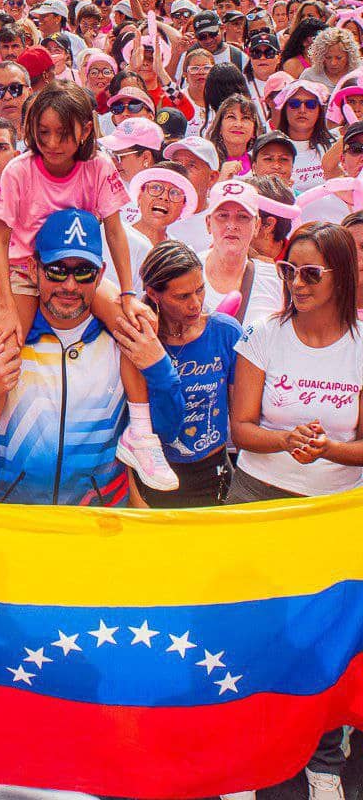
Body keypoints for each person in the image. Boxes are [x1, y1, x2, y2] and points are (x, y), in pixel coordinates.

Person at [229, 221, 363, 800]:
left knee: (323, 640)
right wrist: (286, 441)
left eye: (310, 273)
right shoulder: (264, 334)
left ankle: (323, 758)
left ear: (343, 277)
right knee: (251, 630)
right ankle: (241, 756)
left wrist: (328, 449)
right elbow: (241, 428)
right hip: (258, 503)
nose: (296, 284)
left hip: (330, 515)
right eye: (288, 271)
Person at [0, 207, 185, 505]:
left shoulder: (124, 337)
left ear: (101, 274)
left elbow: (167, 430)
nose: (69, 285)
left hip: (98, 520)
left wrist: (159, 367)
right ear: (33, 269)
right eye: (56, 270)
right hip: (12, 518)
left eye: (83, 272)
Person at [122, 240, 240, 508]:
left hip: (214, 476)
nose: (195, 304)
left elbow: (241, 416)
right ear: (154, 294)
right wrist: (134, 493)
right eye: (182, 296)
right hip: (152, 476)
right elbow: (132, 425)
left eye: (200, 290)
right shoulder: (138, 340)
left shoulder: (226, 332)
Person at [201, 180, 283, 328]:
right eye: (223, 215)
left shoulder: (275, 279)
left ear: (257, 225)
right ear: (208, 223)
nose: (232, 225)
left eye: (243, 217)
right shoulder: (186, 272)